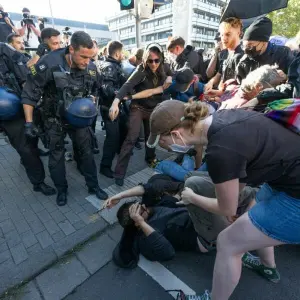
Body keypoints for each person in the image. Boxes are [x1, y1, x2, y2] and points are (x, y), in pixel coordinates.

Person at [147, 99, 300, 299]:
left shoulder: (219, 151)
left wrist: (192, 197)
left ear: (176, 134)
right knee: (252, 219)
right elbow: (244, 169)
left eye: (163, 143)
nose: (165, 149)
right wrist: (233, 202)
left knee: (228, 242)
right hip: (286, 177)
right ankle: (268, 268)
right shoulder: (225, 118)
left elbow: (226, 209)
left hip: (295, 197)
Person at [21, 31, 108, 206]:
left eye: (91, 57)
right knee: (56, 156)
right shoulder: (50, 62)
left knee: (87, 152)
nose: (87, 62)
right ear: (71, 49)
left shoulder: (90, 67)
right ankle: (62, 190)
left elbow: (96, 89)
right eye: (83, 56)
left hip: (78, 119)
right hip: (54, 119)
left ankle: (93, 186)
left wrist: (92, 100)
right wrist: (29, 123)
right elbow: (29, 92)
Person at [109, 43, 173, 186]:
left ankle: (150, 159)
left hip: (153, 108)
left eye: (157, 60)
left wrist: (169, 77)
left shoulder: (165, 66)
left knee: (152, 136)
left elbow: (172, 73)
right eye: (150, 60)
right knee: (131, 138)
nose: (154, 64)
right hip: (138, 107)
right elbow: (126, 86)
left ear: (161, 59)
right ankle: (119, 172)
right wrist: (115, 103)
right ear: (145, 59)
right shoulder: (141, 70)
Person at [0, 42, 55, 196]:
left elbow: (25, 74)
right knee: (24, 148)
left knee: (28, 146)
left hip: (16, 106)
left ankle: (37, 181)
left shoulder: (3, 49)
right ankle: (36, 179)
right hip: (6, 115)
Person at [97, 41, 128, 178]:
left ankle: (120, 152)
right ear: (117, 53)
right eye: (122, 52)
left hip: (116, 107)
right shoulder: (110, 67)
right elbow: (107, 89)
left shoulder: (113, 65)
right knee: (112, 138)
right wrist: (122, 95)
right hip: (110, 108)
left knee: (123, 129)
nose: (123, 55)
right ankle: (105, 166)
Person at [236, 16, 295, 83]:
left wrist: (286, 77)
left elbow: (296, 79)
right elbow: (239, 86)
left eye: (250, 45)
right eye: (244, 46)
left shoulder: (283, 54)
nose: (246, 50)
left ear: (264, 43)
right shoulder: (244, 62)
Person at [205, 17, 243, 93]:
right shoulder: (225, 53)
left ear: (238, 32)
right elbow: (219, 74)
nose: (224, 38)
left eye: (228, 34)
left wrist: (218, 94)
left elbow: (238, 89)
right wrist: (210, 83)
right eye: (222, 35)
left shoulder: (241, 57)